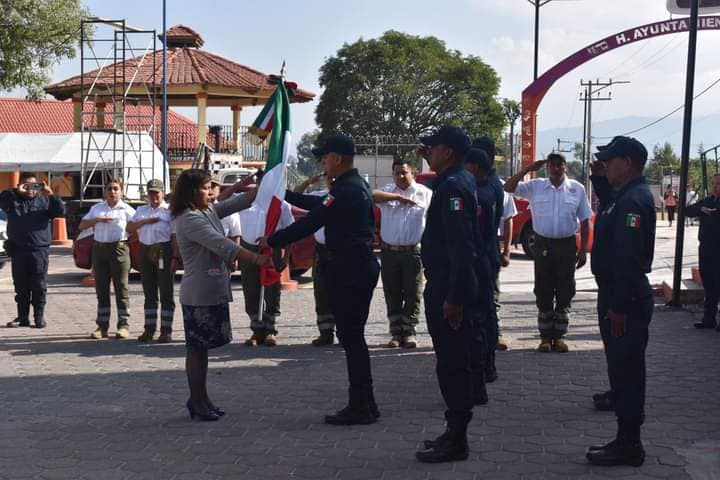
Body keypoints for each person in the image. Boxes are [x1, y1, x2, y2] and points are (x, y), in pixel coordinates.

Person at [259, 134, 381, 426]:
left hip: (351, 269)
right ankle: (365, 402)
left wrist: (272, 239)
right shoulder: (350, 186)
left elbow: (312, 222)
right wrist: (280, 193)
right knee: (353, 339)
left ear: (337, 158)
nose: (323, 162)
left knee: (352, 340)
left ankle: (361, 405)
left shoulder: (347, 190)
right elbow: (316, 207)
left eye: (325, 157)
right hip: (354, 267)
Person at [171, 169, 270, 421]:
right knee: (196, 349)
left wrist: (265, 183)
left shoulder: (206, 211)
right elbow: (223, 244)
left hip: (211, 290)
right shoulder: (189, 219)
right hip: (199, 294)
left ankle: (202, 399)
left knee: (202, 350)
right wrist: (257, 259)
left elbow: (239, 201)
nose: (210, 191)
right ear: (192, 192)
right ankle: (197, 400)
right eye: (205, 187)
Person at [414, 126, 485, 463]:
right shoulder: (451, 181)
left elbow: (461, 248)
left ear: (450, 152)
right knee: (451, 363)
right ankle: (453, 431)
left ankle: (458, 439)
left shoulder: (455, 186)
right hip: (447, 283)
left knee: (454, 365)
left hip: (450, 286)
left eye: (435, 146)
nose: (429, 149)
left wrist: (455, 298)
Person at [587, 136, 655, 467]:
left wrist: (617, 306)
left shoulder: (633, 201)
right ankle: (625, 439)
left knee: (628, 374)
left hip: (624, 299)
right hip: (618, 294)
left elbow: (627, 259)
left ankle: (629, 444)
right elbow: (609, 200)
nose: (606, 164)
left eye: (611, 160)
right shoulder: (625, 195)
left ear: (627, 163)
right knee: (621, 369)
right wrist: (599, 178)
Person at [504, 153, 592, 353]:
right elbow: (508, 188)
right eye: (551, 165)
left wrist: (584, 250)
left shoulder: (576, 189)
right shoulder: (535, 186)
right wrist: (528, 169)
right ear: (546, 168)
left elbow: (586, 221)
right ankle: (545, 337)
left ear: (565, 167)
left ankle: (559, 336)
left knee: (565, 290)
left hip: (567, 245)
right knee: (543, 289)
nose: (555, 168)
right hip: (543, 245)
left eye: (559, 165)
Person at [374, 160, 432, 349]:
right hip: (390, 252)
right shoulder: (388, 191)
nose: (400, 176)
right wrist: (398, 198)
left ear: (413, 173)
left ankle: (409, 331)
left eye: (404, 173)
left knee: (413, 292)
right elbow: (370, 196)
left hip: (412, 252)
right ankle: (396, 333)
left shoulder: (425, 193)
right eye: (397, 173)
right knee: (392, 293)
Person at [1, 173, 65, 328]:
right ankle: (23, 317)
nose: (30, 189)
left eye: (34, 185)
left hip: (38, 250)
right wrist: (16, 191)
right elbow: (2, 199)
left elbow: (60, 212)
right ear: (20, 185)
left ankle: (38, 317)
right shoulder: (13, 200)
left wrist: (51, 194)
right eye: (26, 185)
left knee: (39, 285)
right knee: (21, 286)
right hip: (18, 249)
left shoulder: (45, 200)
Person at [80, 179, 136, 339]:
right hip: (100, 250)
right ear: (104, 192)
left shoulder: (126, 209)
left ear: (122, 192)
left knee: (121, 288)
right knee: (101, 288)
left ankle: (123, 325)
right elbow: (82, 225)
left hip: (118, 249)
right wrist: (96, 220)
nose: (112, 192)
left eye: (116, 189)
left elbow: (137, 227)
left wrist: (128, 240)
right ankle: (102, 326)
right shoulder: (97, 208)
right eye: (109, 189)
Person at [462, 148, 498, 390]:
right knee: (486, 314)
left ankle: (484, 366)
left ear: (474, 167)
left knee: (480, 317)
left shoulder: (479, 195)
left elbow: (474, 234)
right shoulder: (491, 187)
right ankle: (487, 365)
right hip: (486, 257)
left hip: (479, 260)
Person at [237, 196, 293, 347]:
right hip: (248, 249)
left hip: (272, 248)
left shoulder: (281, 205)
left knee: (272, 291)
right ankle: (257, 330)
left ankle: (270, 330)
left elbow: (290, 231)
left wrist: (286, 257)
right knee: (251, 290)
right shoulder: (246, 203)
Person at [126, 179, 175, 343]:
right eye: (151, 192)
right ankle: (149, 329)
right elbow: (129, 228)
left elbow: (175, 235)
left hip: (163, 251)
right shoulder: (141, 210)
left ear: (163, 193)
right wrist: (146, 221)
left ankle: (166, 330)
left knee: (166, 291)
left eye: (157, 192)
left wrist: (175, 256)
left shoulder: (169, 211)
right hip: (145, 250)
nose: (154, 196)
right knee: (149, 292)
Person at [293, 174, 336, 346]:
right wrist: (308, 182)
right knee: (321, 291)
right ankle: (325, 332)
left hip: (340, 251)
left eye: (334, 177)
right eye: (329, 178)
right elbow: (296, 196)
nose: (331, 180)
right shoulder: (319, 196)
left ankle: (344, 331)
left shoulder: (348, 193)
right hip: (321, 250)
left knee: (342, 293)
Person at [686, 174, 720, 331]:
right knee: (709, 284)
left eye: (718, 184)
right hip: (706, 248)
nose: (715, 186)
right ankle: (709, 319)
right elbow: (687, 210)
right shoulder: (708, 200)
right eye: (713, 183)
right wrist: (700, 209)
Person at [497, 181, 517, 350]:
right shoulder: (463, 181)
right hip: (466, 242)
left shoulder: (500, 186)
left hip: (490, 243)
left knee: (491, 291)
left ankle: (494, 332)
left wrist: (507, 249)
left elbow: (508, 218)